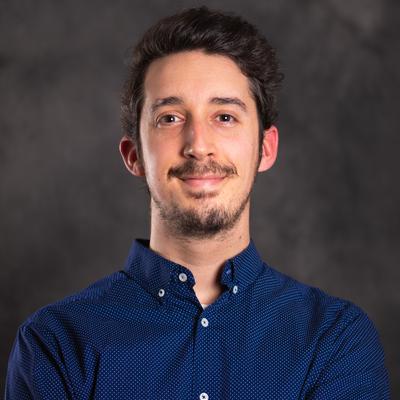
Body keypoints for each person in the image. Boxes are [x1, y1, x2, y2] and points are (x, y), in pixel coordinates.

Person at [5, 6, 390, 399]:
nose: (198, 145)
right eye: (170, 118)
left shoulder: (334, 340)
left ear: (266, 148)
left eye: (224, 117)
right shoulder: (55, 344)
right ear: (134, 155)